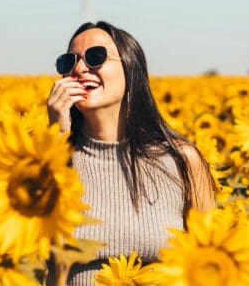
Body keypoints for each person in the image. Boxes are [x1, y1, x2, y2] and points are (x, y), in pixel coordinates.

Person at [46, 21, 215, 285]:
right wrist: (54, 139)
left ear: (130, 67)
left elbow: (212, 259)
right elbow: (29, 249)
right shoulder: (50, 160)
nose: (79, 68)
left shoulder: (180, 160)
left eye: (96, 57)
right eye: (69, 61)